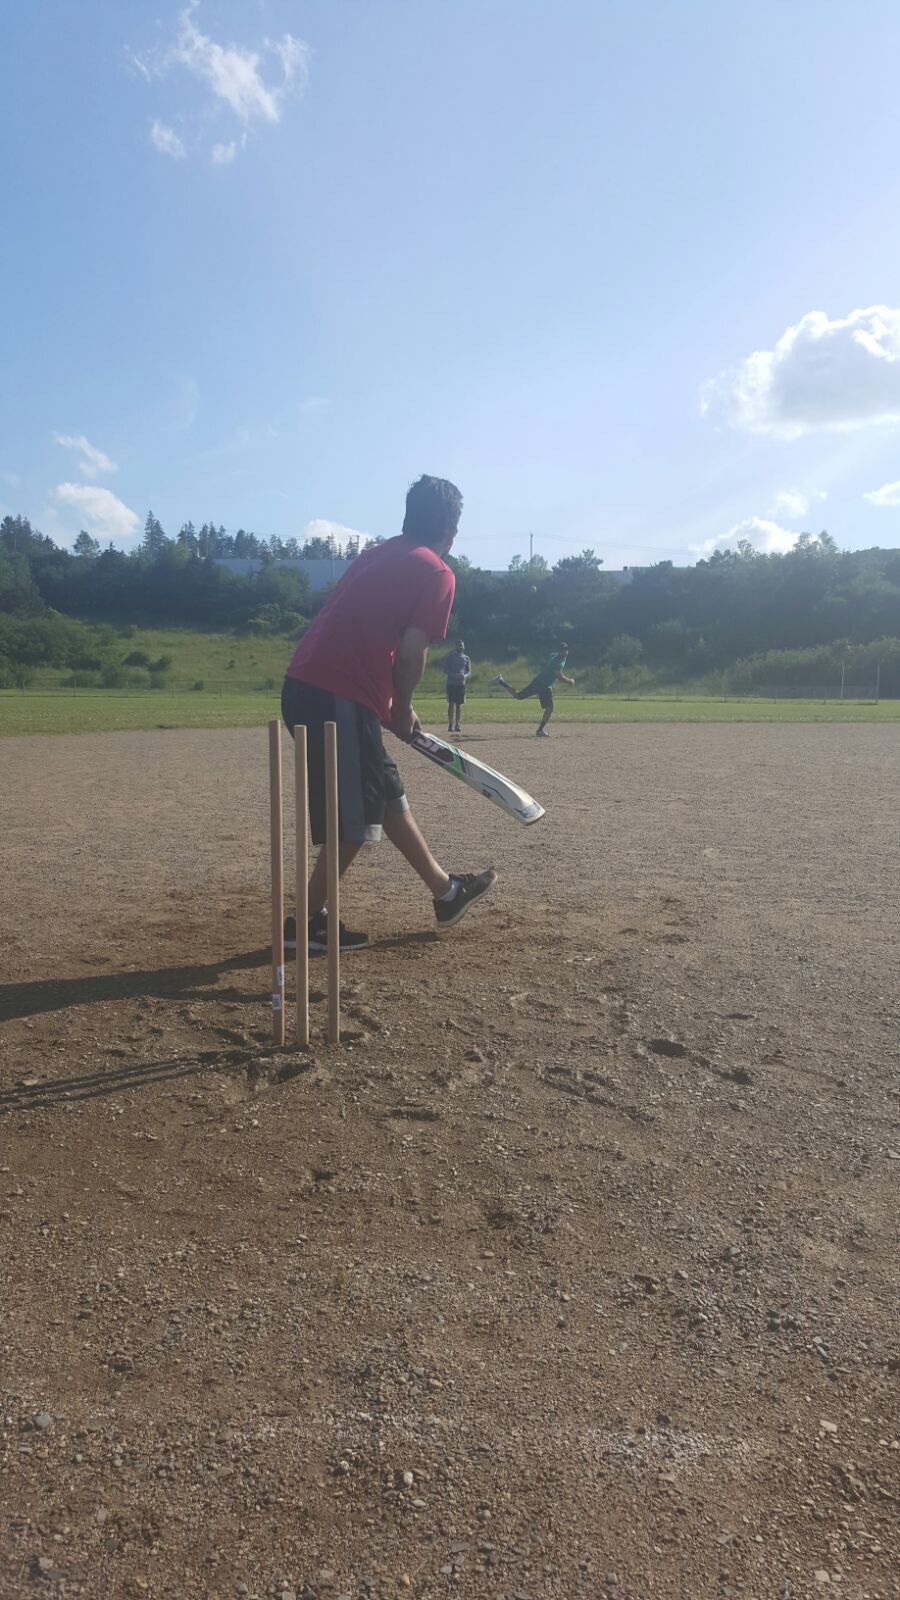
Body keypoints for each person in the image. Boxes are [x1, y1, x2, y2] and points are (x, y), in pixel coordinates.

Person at [281, 476, 496, 954]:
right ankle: (305, 925)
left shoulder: (378, 554)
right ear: (452, 532)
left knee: (383, 792)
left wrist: (391, 704)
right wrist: (400, 707)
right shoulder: (437, 572)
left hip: (307, 687)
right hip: (337, 695)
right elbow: (413, 648)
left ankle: (446, 893)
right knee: (355, 819)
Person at [490, 645, 575, 736]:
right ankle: (501, 681)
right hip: (540, 684)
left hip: (545, 686)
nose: (564, 652)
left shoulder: (558, 657)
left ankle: (540, 730)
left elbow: (551, 656)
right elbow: (560, 677)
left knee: (549, 709)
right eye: (562, 650)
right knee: (519, 696)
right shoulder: (557, 662)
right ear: (559, 651)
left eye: (566, 650)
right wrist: (570, 681)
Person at [439, 637, 471, 734]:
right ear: (455, 647)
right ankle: (450, 724)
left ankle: (457, 724)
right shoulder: (450, 657)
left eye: (461, 645)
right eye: (458, 645)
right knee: (451, 704)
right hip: (451, 684)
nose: (460, 647)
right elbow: (445, 669)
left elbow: (468, 671)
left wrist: (464, 676)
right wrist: (453, 675)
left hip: (461, 684)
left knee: (459, 705)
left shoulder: (466, 658)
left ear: (463, 647)